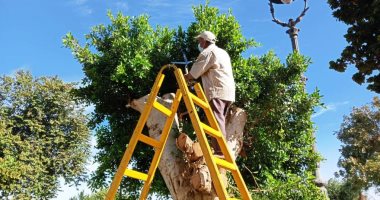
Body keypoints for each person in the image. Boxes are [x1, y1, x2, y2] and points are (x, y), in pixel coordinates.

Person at [184, 31, 235, 156]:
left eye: (200, 41)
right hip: (227, 92)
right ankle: (220, 150)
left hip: (217, 91)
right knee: (219, 120)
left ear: (205, 41)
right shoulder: (222, 52)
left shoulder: (208, 52)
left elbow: (194, 73)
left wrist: (185, 77)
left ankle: (220, 151)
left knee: (216, 121)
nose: (199, 43)